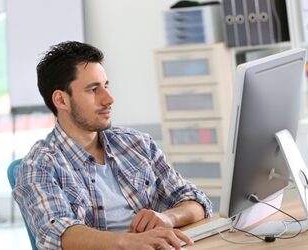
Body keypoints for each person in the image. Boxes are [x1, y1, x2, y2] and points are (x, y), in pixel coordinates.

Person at [12, 41, 213, 250]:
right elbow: (58, 233)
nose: (109, 99)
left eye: (105, 86)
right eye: (93, 90)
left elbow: (196, 201)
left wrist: (168, 218)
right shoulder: (39, 165)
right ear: (61, 100)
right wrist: (130, 242)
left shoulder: (137, 143)